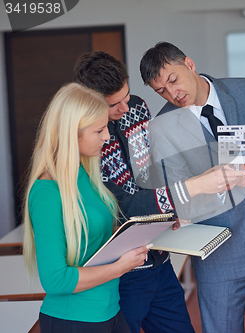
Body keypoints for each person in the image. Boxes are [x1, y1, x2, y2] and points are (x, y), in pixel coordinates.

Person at [139, 42, 245, 333]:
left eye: (173, 80)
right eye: (161, 90)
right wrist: (212, 184)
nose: (172, 93)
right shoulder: (161, 125)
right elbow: (176, 198)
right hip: (218, 257)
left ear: (189, 63)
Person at [73, 51, 194, 333]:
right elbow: (121, 204)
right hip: (120, 272)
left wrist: (168, 212)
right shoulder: (84, 143)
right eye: (114, 104)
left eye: (127, 96)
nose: (125, 108)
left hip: (159, 258)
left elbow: (154, 167)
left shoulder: (137, 108)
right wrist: (171, 202)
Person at [23, 83, 150, 333]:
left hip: (109, 311)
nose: (107, 136)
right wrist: (121, 267)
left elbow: (93, 235)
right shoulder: (47, 192)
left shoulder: (84, 174)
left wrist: (147, 229)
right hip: (75, 320)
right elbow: (56, 280)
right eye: (100, 130)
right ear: (73, 134)